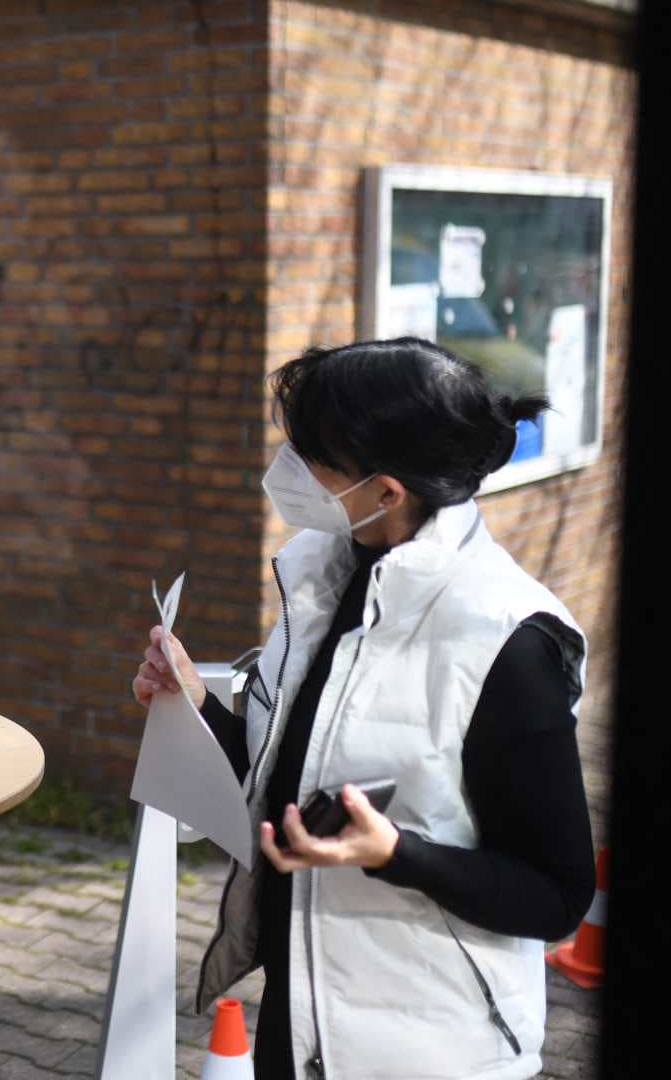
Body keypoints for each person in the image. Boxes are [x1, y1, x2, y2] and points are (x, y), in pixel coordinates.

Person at [132, 338, 596, 1079]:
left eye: (312, 456)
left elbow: (556, 896)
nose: (287, 468)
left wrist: (396, 855)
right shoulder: (325, 577)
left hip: (426, 1051)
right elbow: (286, 778)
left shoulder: (503, 639)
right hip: (302, 1020)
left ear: (386, 493)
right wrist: (194, 704)